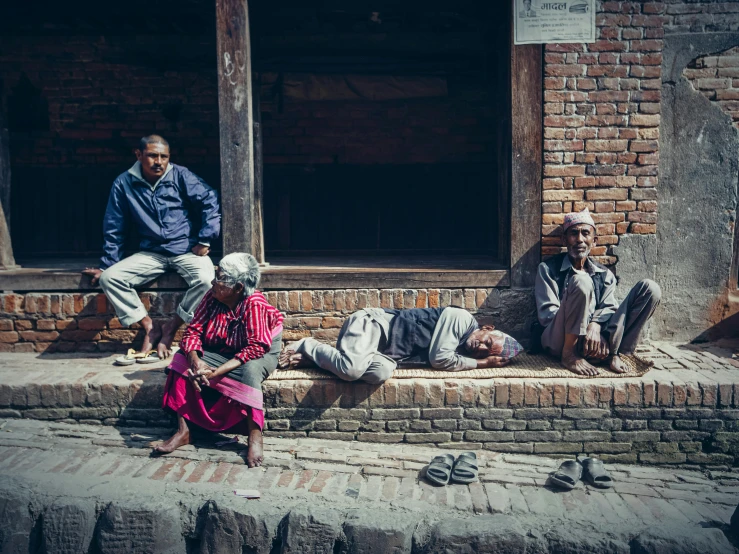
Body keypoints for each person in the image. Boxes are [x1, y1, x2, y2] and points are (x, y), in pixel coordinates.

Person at [82, 135, 220, 361]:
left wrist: (205, 239)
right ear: (138, 155)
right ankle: (150, 326)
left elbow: (209, 200)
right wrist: (107, 265)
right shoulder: (124, 183)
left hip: (185, 250)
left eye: (164, 156)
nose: (159, 162)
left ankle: (172, 327)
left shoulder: (180, 175)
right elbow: (114, 225)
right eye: (152, 156)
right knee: (110, 279)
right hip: (151, 253)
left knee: (207, 281)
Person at [153, 253, 283, 468]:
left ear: (238, 288)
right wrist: (197, 362)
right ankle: (184, 431)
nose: (213, 282)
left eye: (220, 279)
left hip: (260, 352)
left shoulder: (254, 303)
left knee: (249, 373)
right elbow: (192, 332)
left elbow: (256, 347)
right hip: (222, 349)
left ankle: (254, 436)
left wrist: (215, 372)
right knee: (179, 360)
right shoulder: (212, 296)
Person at [534, 208, 661, 376]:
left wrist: (596, 325)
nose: (579, 239)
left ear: (594, 241)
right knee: (581, 281)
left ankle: (617, 354)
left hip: (596, 338)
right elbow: (548, 317)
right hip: (561, 339)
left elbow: (609, 307)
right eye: (573, 233)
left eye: (585, 233)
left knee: (650, 289)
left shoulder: (604, 273)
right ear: (565, 239)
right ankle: (570, 356)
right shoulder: (548, 269)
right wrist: (584, 328)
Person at [278, 306, 520, 384]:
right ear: (486, 328)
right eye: (487, 342)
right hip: (373, 326)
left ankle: (317, 360)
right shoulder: (463, 319)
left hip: (384, 354)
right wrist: (482, 364)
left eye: (487, 351)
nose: (481, 348)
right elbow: (440, 360)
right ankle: (307, 345)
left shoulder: (462, 349)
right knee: (351, 370)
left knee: (381, 373)